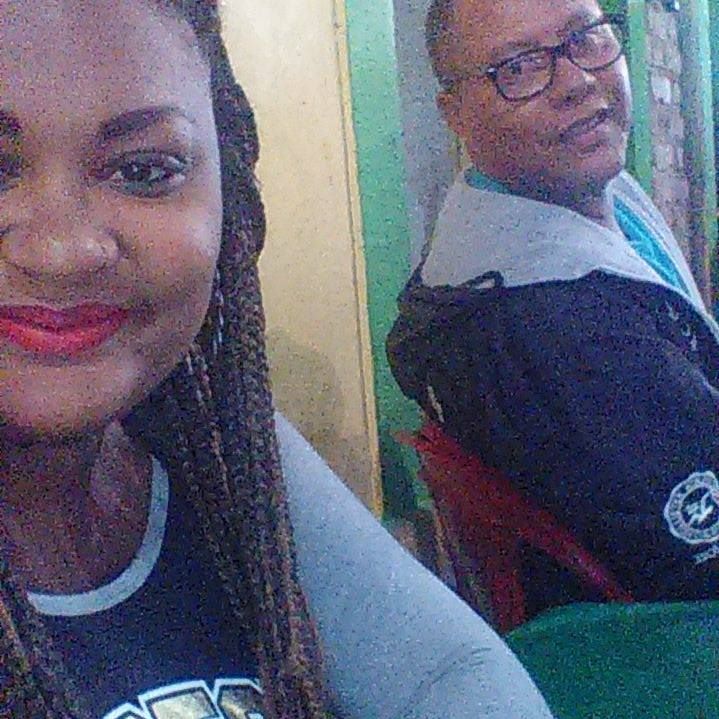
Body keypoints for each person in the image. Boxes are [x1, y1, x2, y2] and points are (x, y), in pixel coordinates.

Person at [0, 1, 560, 718]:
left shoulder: (216, 447)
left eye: (142, 169)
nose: (65, 250)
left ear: (229, 192)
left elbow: (450, 674)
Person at [387, 0, 719, 618]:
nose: (576, 80)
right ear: (454, 113)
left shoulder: (587, 188)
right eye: (518, 67)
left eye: (585, 36)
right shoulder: (559, 331)